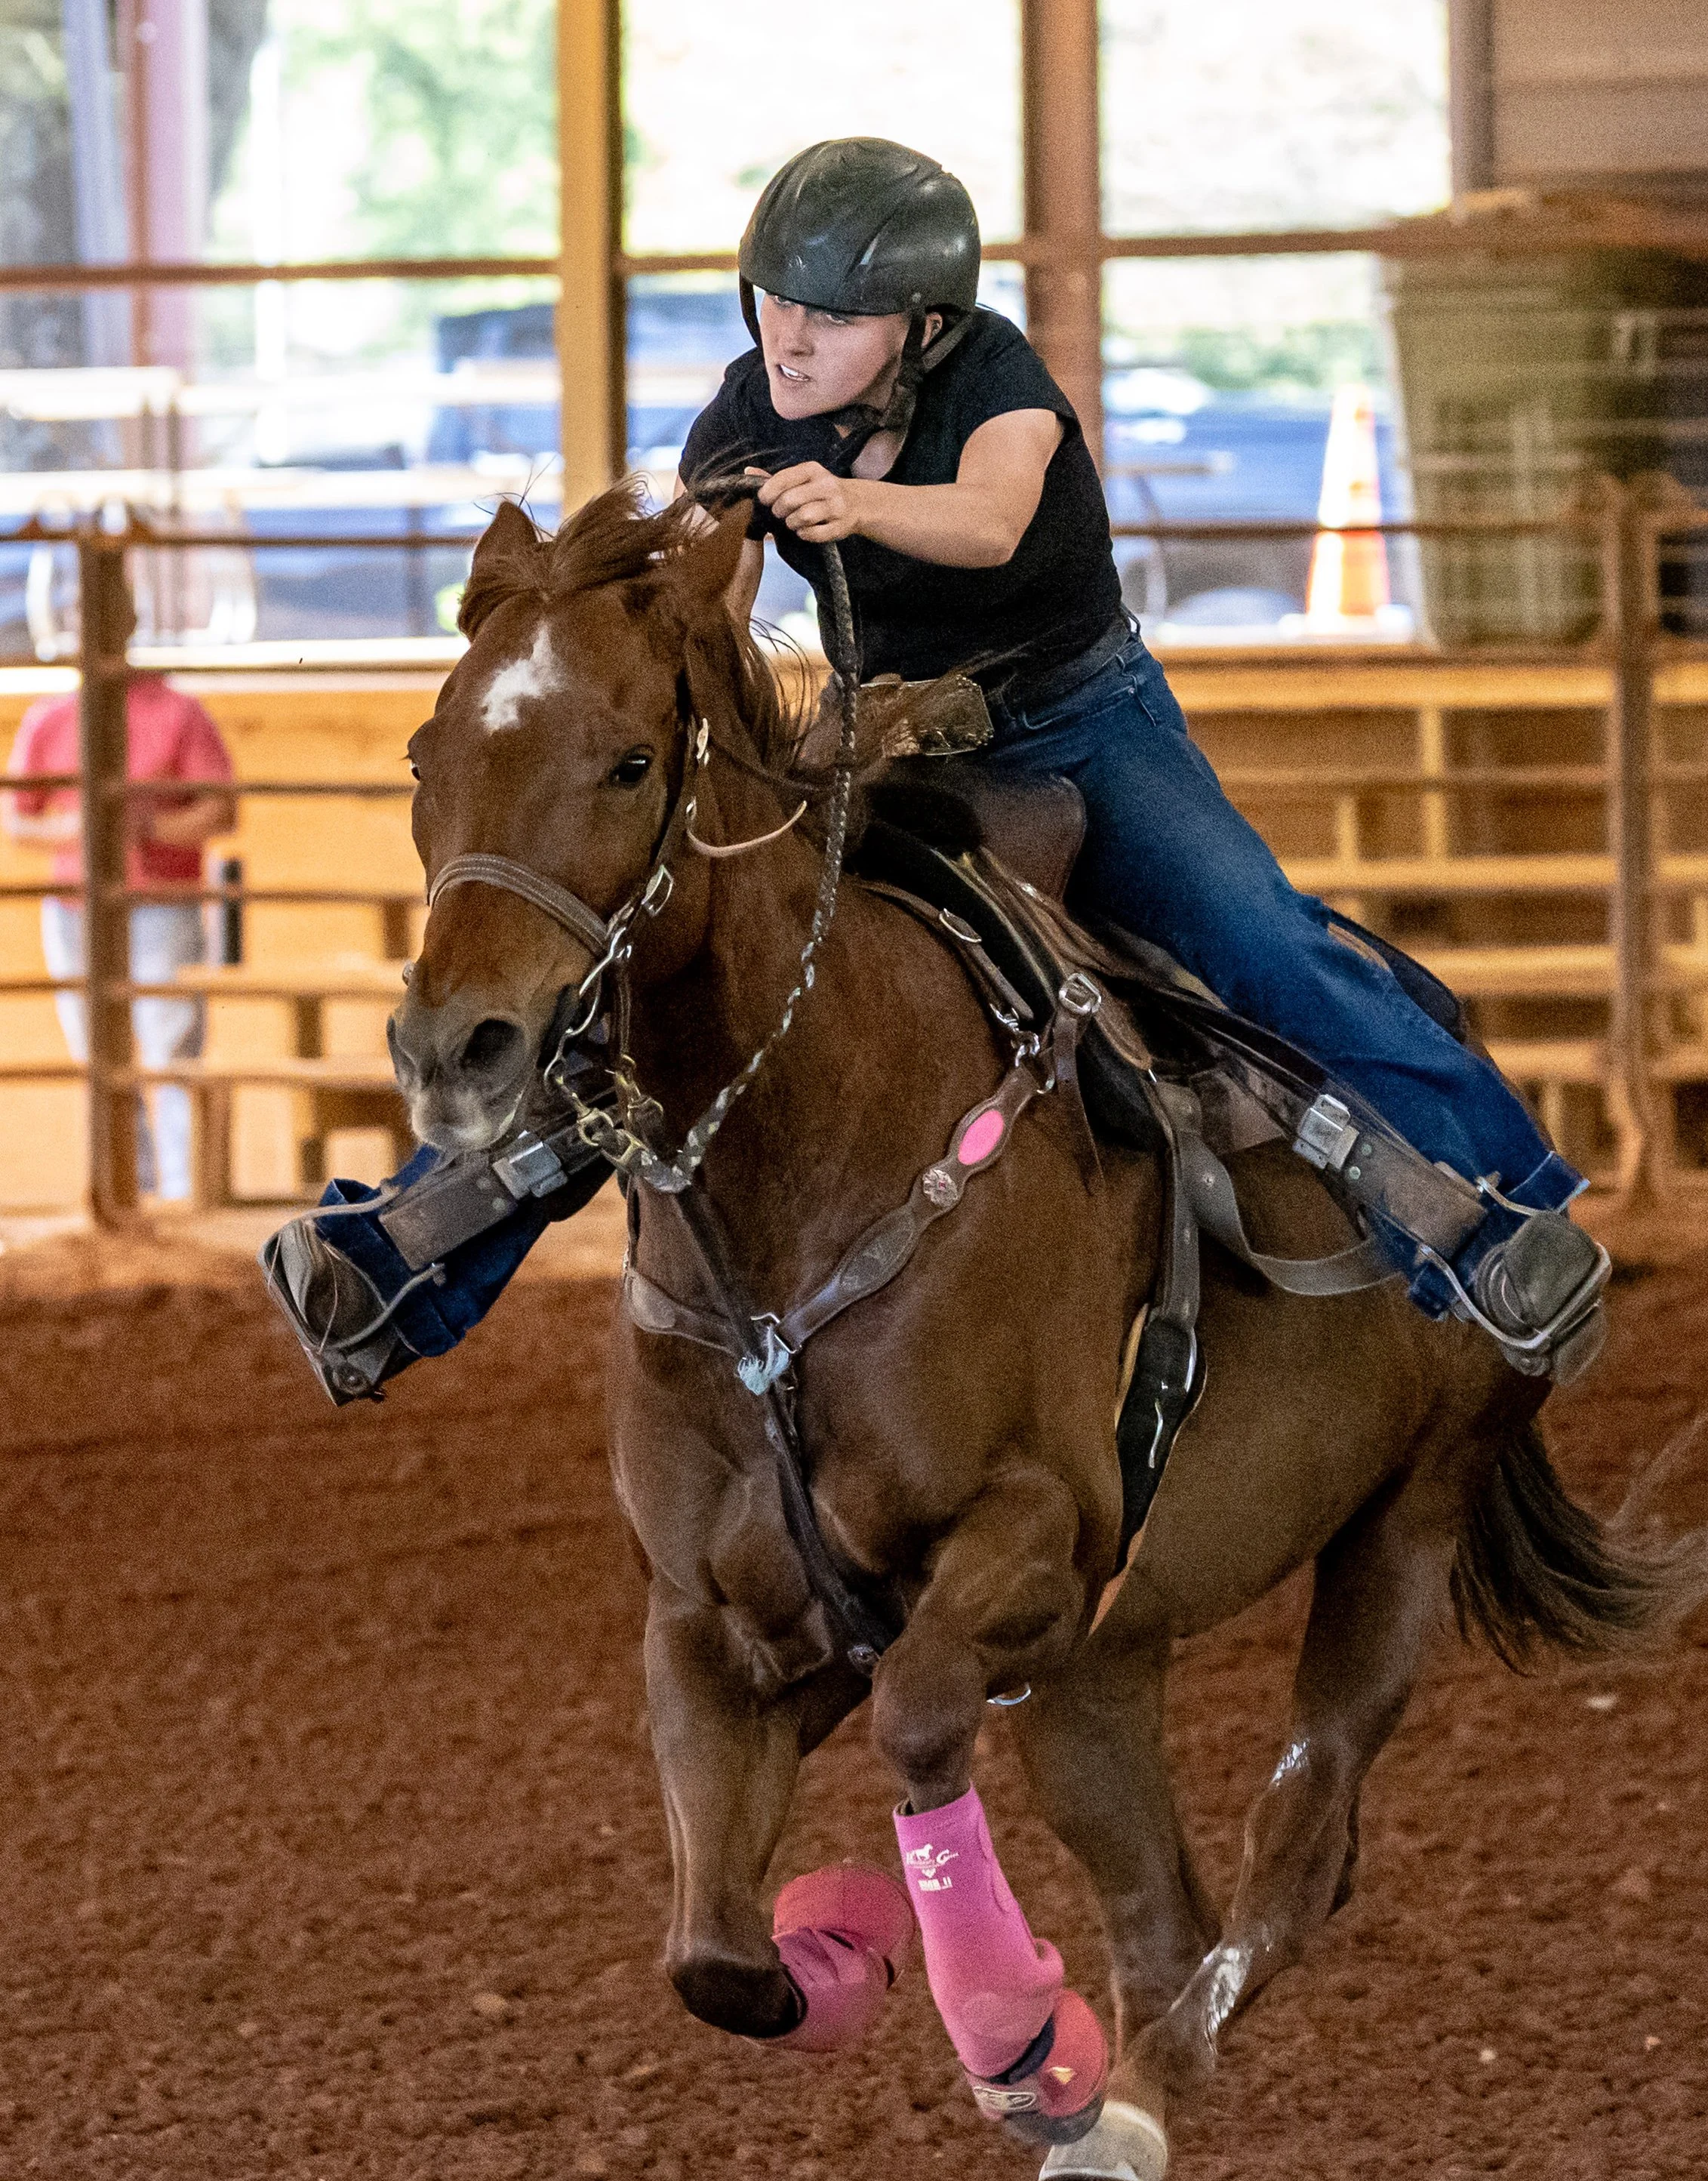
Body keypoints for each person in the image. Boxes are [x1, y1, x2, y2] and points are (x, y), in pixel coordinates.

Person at [265, 134, 1605, 1403]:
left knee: (1255, 936)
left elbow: (993, 516)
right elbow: (707, 619)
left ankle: (1497, 1217)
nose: (789, 335)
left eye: (832, 317)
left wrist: (856, 507)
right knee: (665, 978)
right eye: (772, 301)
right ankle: (407, 1252)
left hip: (1086, 724)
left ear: (922, 330)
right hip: (888, 733)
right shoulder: (743, 420)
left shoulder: (1000, 384)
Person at [5, 670, 235, 1201]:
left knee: (169, 1046)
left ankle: (179, 1195)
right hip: (75, 908)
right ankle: (128, 1187)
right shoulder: (52, 717)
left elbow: (221, 807)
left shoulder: (177, 712)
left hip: (159, 902)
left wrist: (145, 827)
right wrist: (80, 828)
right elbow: (17, 818)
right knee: (98, 1051)